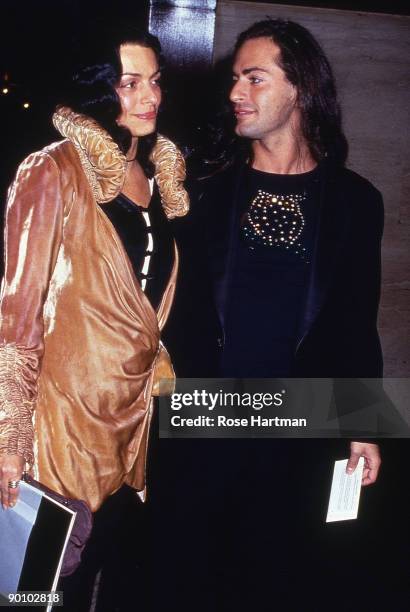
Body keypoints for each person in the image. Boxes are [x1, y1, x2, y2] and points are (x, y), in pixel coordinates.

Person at [159, 18, 386, 610]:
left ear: (300, 88)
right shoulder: (201, 192)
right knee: (191, 579)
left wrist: (365, 426)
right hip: (204, 424)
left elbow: (357, 321)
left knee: (280, 580)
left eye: (255, 78)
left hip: (299, 432)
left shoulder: (357, 202)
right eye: (236, 78)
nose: (237, 93)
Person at [0, 23, 188, 610]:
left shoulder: (160, 177)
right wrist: (8, 442)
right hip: (62, 423)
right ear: (97, 92)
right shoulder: (52, 170)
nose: (149, 97)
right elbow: (16, 317)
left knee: (109, 575)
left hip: (131, 421)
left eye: (154, 82)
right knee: (42, 587)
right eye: (129, 84)